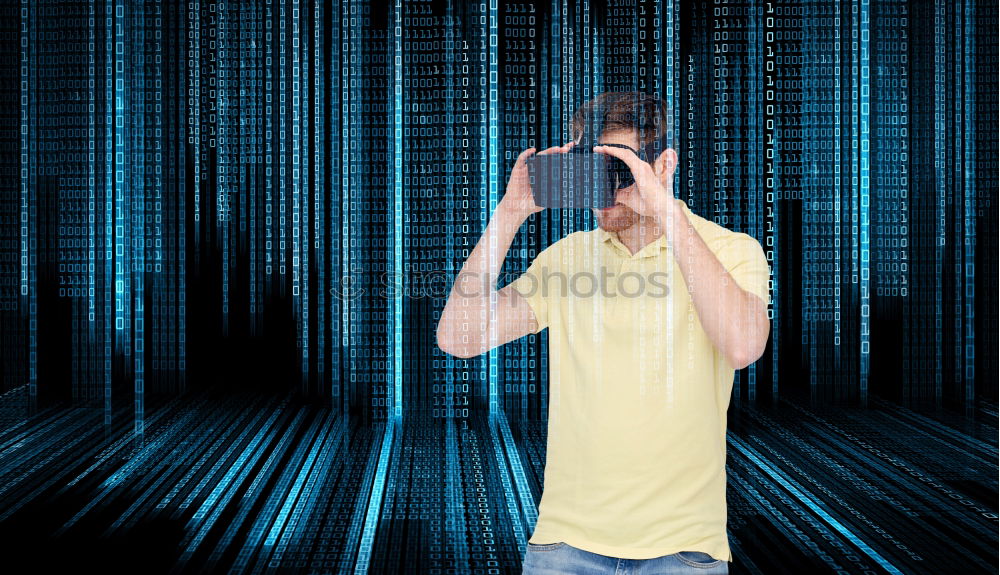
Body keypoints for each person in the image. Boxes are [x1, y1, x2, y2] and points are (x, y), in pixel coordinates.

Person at [436, 92, 771, 574]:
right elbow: (457, 338)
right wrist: (509, 213)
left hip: (682, 549)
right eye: (593, 168)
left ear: (664, 165)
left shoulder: (731, 250)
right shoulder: (569, 258)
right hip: (564, 545)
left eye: (621, 167)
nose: (606, 187)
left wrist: (663, 210)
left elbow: (742, 346)